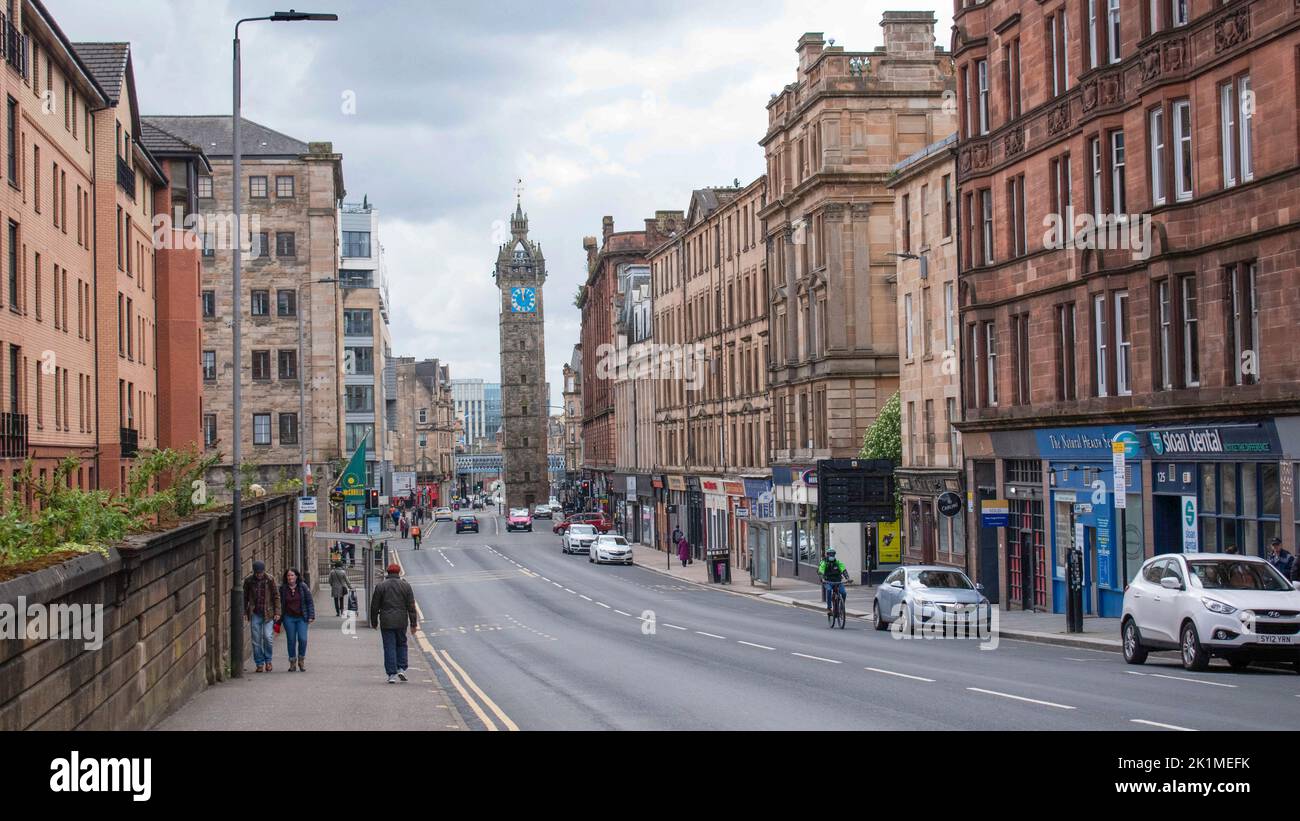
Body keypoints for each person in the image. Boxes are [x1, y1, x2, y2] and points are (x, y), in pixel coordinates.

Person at [370, 562, 418, 684]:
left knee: (389, 646)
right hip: (401, 620)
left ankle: (391, 674)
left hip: (386, 621)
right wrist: (413, 624)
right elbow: (411, 607)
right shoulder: (406, 586)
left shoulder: (381, 586)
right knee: (402, 644)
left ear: (388, 572)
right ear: (398, 572)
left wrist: (374, 621)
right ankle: (401, 668)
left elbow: (374, 606)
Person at [242, 560, 280, 673]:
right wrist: (244, 611)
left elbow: (276, 596)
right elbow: (244, 597)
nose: (259, 575)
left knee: (268, 637)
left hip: (268, 613)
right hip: (255, 613)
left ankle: (268, 661)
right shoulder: (249, 581)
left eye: (261, 572)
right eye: (257, 573)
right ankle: (259, 663)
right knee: (256, 640)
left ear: (264, 571)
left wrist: (277, 612)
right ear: (254, 572)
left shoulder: (270, 579)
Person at [278, 568, 315, 671]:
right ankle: (292, 662)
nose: (290, 577)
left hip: (301, 617)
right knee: (291, 640)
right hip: (288, 617)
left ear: (296, 576)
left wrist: (311, 615)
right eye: (288, 576)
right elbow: (279, 603)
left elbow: (309, 601)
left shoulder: (302, 587)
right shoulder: (283, 588)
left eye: (292, 575)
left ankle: (301, 659)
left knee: (303, 639)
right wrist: (278, 616)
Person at [818, 547, 848, 615]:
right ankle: (829, 608)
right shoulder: (824, 563)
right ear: (827, 555)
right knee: (828, 590)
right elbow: (821, 571)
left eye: (833, 555)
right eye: (830, 555)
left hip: (838, 581)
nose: (832, 556)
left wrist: (847, 578)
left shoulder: (838, 562)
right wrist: (822, 578)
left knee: (843, 593)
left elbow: (843, 570)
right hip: (827, 581)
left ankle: (841, 606)